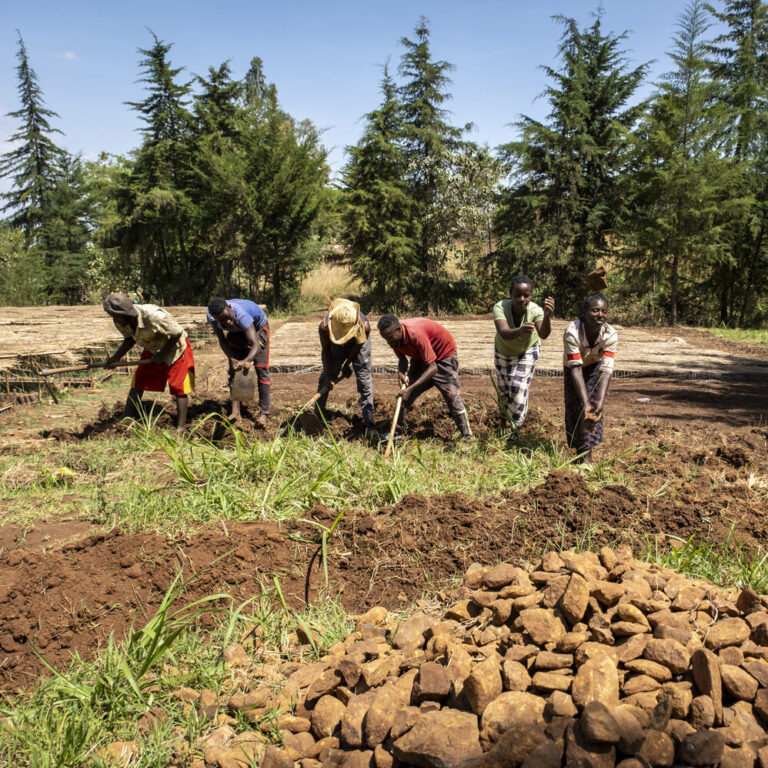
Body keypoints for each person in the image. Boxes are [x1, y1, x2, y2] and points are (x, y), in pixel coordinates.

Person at [102, 293, 195, 431]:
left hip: (176, 348)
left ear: (125, 313)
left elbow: (177, 333)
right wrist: (115, 358)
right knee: (138, 382)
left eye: (115, 315)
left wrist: (162, 355)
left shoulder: (155, 316)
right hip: (152, 348)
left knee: (179, 387)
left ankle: (181, 427)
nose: (114, 319)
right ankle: (125, 418)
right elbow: (129, 339)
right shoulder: (120, 321)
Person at [377, 314, 472, 439]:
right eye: (385, 339)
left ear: (399, 330)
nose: (389, 342)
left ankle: (467, 436)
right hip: (420, 356)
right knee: (404, 397)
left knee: (451, 395)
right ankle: (396, 432)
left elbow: (433, 368)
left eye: (389, 338)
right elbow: (402, 359)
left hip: (443, 356)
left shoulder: (416, 334)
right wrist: (400, 373)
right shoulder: (394, 339)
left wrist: (409, 389)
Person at [563, 292, 617, 464]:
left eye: (604, 311)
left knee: (593, 407)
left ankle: (586, 457)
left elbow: (606, 369)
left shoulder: (610, 334)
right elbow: (576, 368)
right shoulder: (572, 332)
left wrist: (599, 400)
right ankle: (579, 451)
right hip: (573, 368)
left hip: (595, 368)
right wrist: (584, 402)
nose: (600, 315)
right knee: (576, 405)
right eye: (595, 310)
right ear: (584, 313)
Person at [493, 276, 554, 428]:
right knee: (504, 391)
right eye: (517, 295)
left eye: (526, 295)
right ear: (510, 295)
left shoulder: (536, 311)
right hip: (503, 352)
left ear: (531, 296)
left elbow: (543, 334)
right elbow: (504, 332)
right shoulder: (500, 307)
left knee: (517, 386)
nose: (522, 299)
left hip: (527, 350)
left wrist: (547, 316)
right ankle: (502, 422)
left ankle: (515, 428)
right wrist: (520, 330)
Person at [207, 297, 271, 427]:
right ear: (215, 319)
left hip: (257, 329)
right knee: (235, 370)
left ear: (230, 309)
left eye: (228, 316)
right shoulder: (212, 317)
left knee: (261, 369)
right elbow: (222, 340)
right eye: (223, 321)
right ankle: (236, 412)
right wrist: (232, 358)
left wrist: (245, 360)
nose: (227, 321)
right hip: (236, 333)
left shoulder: (241, 314)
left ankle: (264, 414)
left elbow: (256, 346)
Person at [316, 298, 376, 434]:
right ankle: (316, 416)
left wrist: (347, 365)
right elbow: (326, 351)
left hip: (359, 344)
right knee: (324, 380)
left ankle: (370, 424)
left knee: (364, 382)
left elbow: (357, 348)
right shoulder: (324, 327)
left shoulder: (364, 327)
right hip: (336, 345)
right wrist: (327, 376)